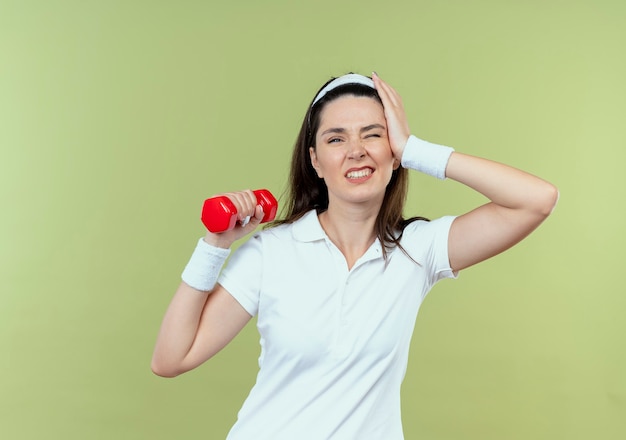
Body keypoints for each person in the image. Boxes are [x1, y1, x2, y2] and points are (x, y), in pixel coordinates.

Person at [151, 72, 559, 439]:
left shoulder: (418, 249)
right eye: (336, 138)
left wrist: (417, 150)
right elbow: (171, 358)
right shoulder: (270, 253)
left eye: (373, 134)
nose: (356, 150)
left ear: (394, 153)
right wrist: (215, 245)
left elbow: (535, 201)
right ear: (316, 161)